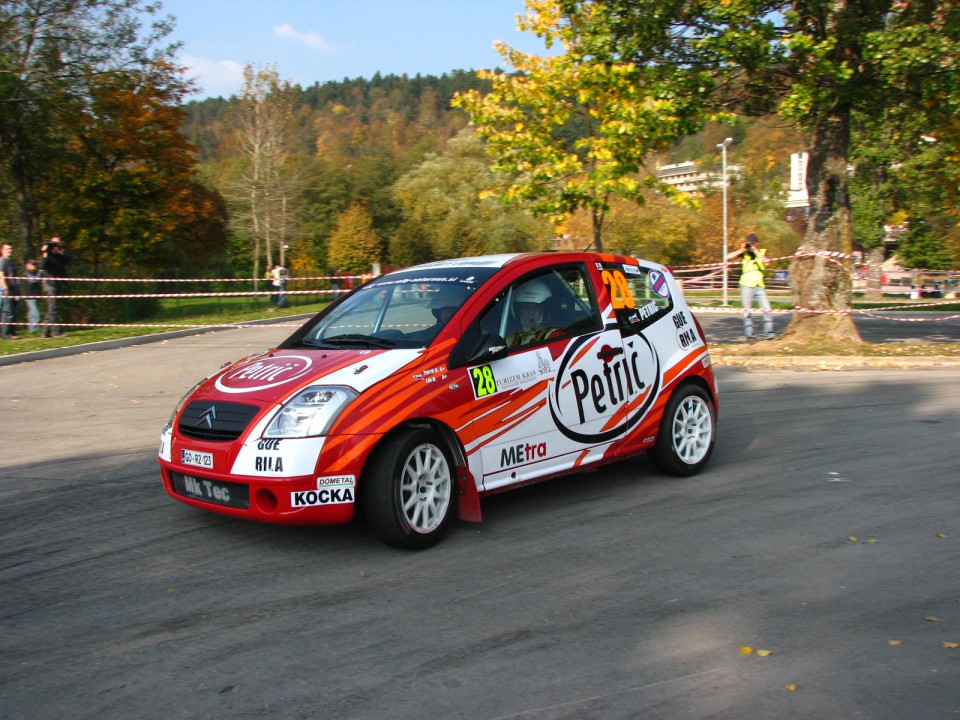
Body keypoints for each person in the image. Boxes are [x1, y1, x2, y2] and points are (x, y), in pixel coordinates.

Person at [727, 233, 774, 341]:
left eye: (753, 243)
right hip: (746, 284)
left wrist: (755, 250)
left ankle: (769, 334)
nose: (750, 245)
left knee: (767, 309)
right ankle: (749, 335)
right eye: (749, 243)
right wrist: (741, 250)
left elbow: (767, 262)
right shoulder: (744, 253)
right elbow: (727, 257)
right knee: (747, 311)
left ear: (757, 243)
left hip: (759, 284)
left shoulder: (761, 252)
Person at [506, 279, 561, 347]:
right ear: (518, 311)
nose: (530, 312)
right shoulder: (510, 339)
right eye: (526, 307)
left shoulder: (554, 336)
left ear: (544, 311)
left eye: (536, 307)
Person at [39, 237, 70, 337]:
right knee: (53, 308)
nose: (56, 245)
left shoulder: (59, 255)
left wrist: (59, 253)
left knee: (51, 308)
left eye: (57, 244)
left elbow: (68, 260)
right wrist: (45, 253)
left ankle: (45, 332)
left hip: (58, 282)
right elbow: (42, 266)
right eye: (54, 244)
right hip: (50, 284)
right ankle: (56, 332)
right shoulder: (47, 255)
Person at [1, 243, 20, 339]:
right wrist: (5, 287)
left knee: (14, 311)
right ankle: (6, 334)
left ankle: (13, 332)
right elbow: (1, 275)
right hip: (7, 289)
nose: (9, 250)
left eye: (10, 249)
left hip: (14, 289)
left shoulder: (11, 261)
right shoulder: (2, 261)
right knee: (7, 311)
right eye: (7, 249)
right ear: (2, 250)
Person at [23, 258, 41, 333]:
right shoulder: (26, 273)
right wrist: (40, 273)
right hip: (29, 296)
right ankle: (34, 330)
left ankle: (31, 330)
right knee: (36, 314)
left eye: (35, 264)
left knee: (32, 314)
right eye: (32, 264)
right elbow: (33, 280)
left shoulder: (33, 272)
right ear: (27, 265)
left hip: (34, 296)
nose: (34, 266)